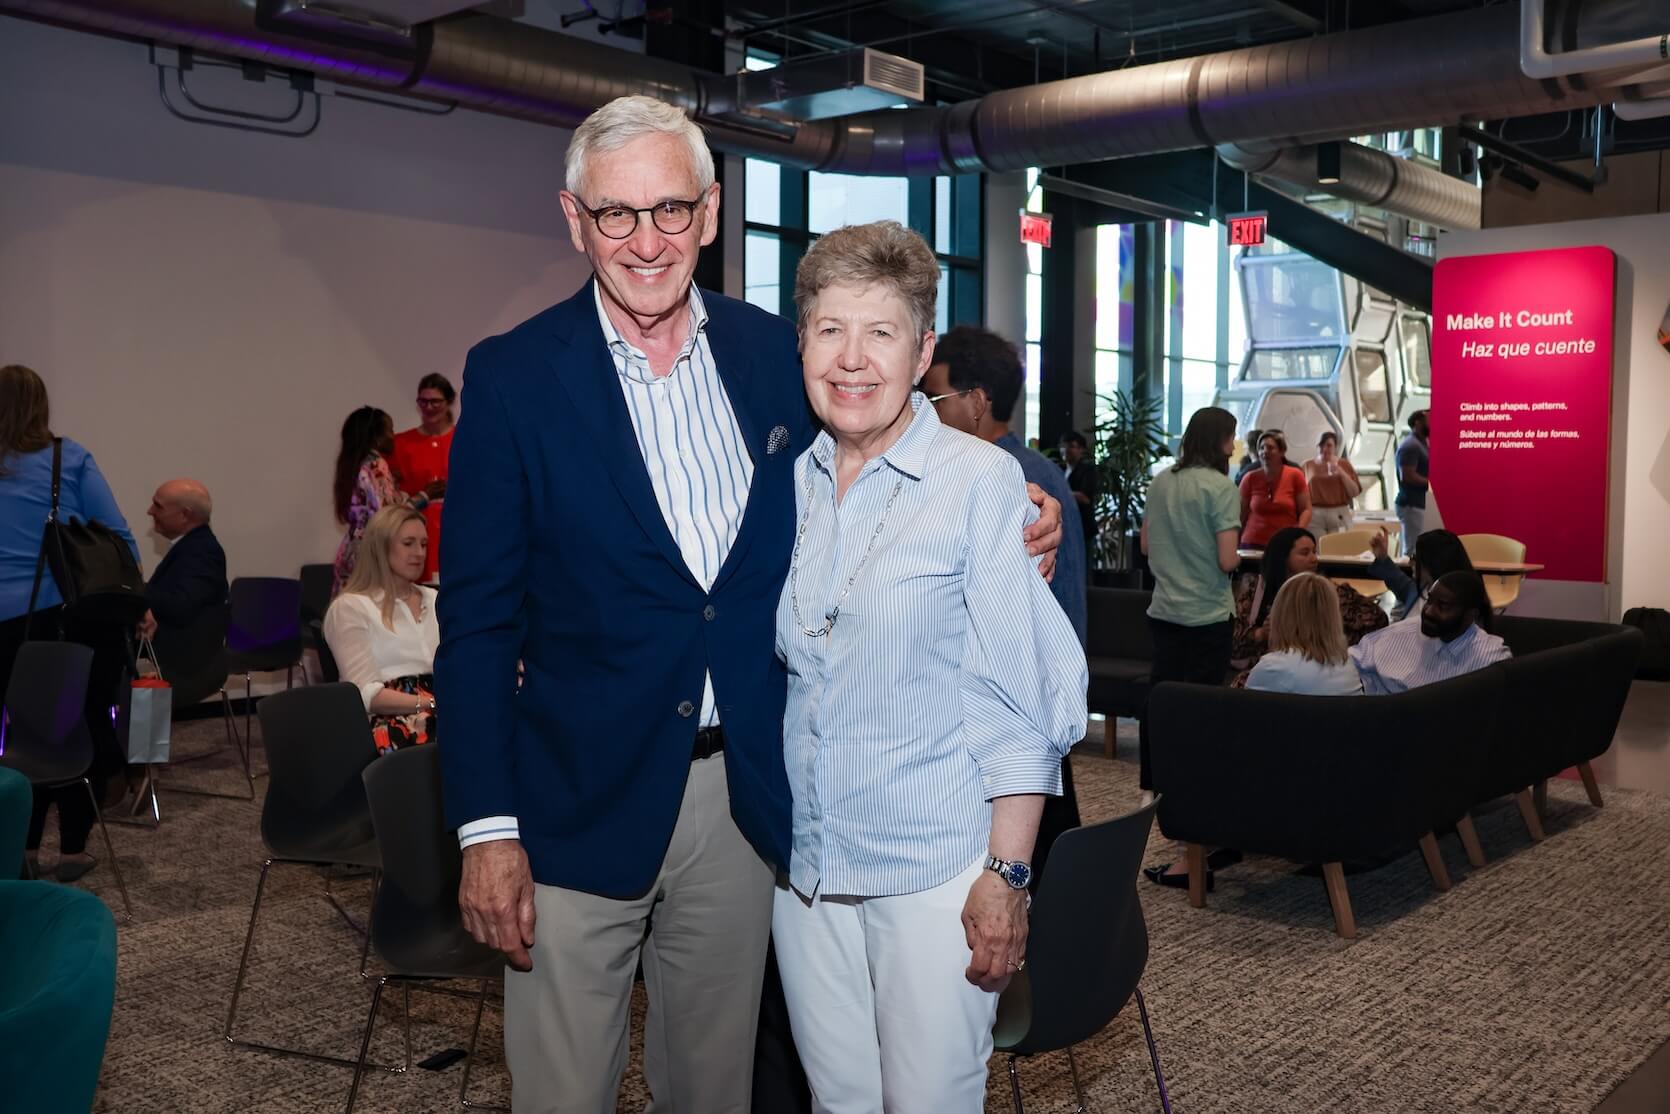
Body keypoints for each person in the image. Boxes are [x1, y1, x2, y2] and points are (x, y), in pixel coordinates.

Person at [433, 95, 1062, 1114]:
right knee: (559, 1094)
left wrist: (1008, 496)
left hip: (743, 809)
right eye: (616, 214)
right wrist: (485, 830)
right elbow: (475, 627)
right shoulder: (512, 377)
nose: (646, 241)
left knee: (715, 1089)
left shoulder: (777, 355)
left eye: (670, 209)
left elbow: (879, 424)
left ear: (713, 212)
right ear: (572, 217)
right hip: (572, 803)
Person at [773, 220, 1086, 1111]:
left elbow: (1018, 701)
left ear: (923, 353)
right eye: (831, 329)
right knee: (839, 1104)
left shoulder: (980, 482)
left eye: (883, 332)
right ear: (803, 342)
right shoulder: (788, 483)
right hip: (807, 873)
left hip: (933, 872)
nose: (853, 358)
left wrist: (1009, 875)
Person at [0, 364, 139, 882]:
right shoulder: (68, 458)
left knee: (17, 737)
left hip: (3, 629)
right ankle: (73, 849)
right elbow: (118, 535)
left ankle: (22, 847)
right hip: (60, 622)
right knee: (68, 727)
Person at [927, 325, 1085, 644]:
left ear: (975, 403)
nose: (925, 412)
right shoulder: (1036, 468)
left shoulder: (1007, 480)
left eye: (934, 399)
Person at [1139, 406, 1242, 793]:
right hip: (1208, 613)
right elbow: (1226, 558)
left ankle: (1155, 782)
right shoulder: (1221, 488)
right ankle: (1199, 787)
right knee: (1203, 709)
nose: (1233, 446)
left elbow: (1147, 545)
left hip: (1165, 609)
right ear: (1218, 440)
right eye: (1230, 437)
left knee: (1161, 701)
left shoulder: (1162, 480)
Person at [323, 505, 437, 753]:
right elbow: (365, 693)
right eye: (408, 543)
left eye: (424, 544)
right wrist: (432, 703)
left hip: (446, 706)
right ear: (380, 547)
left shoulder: (437, 600)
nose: (419, 553)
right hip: (389, 719)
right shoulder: (351, 608)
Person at [1231, 527, 1386, 675]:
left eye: (1314, 552)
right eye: (1305, 553)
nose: (1313, 559)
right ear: (1282, 558)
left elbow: (1378, 620)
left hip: (1322, 669)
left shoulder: (1330, 592)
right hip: (1269, 669)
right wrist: (1260, 634)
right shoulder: (1257, 590)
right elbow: (1233, 642)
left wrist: (1334, 640)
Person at [1350, 570, 1509, 695]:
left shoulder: (1490, 658)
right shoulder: (1409, 629)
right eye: (1429, 600)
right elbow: (1352, 658)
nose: (1428, 611)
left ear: (1470, 615)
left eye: (1443, 606)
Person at [332, 405, 428, 596]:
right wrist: (425, 496)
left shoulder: (355, 465)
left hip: (351, 551)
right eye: (390, 430)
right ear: (376, 436)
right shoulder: (377, 465)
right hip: (371, 554)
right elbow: (389, 518)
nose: (393, 435)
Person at [137, 479, 227, 654]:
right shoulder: (193, 546)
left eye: (158, 506)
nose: (150, 511)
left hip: (184, 664)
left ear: (185, 515)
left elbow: (179, 605)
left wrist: (135, 590)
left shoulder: (203, 552)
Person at [1244, 572, 1364, 695]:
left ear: (1280, 615)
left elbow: (1245, 712)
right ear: (1333, 617)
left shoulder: (1272, 667)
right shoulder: (1348, 667)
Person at [390, 373, 455, 583]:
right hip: (416, 527)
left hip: (455, 525)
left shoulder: (462, 439)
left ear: (449, 402)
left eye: (435, 401)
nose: (429, 407)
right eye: (423, 401)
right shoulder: (401, 443)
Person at [1368, 527, 1475, 620]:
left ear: (1433, 563)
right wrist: (1383, 557)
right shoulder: (1424, 586)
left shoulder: (1458, 607)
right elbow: (1402, 584)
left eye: (1415, 558)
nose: (1410, 562)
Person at [1239, 430, 1311, 547]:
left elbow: (1306, 510)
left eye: (1270, 448)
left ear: (1281, 452)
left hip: (1285, 542)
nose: (1265, 451)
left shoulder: (1295, 475)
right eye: (1262, 448)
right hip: (1252, 542)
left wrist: (1297, 532)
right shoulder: (1249, 478)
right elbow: (1241, 515)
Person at [1303, 431, 1361, 535]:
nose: (1324, 449)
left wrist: (1341, 472)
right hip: (1316, 514)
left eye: (1329, 445)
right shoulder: (1308, 465)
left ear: (1335, 447)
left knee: (1340, 548)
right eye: (1321, 445)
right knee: (1318, 547)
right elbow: (1302, 492)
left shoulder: (1344, 464)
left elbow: (1354, 492)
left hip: (1339, 513)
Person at [1059, 430, 1097, 563]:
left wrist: (1061, 493)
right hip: (1065, 528)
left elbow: (1085, 497)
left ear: (1081, 449)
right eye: (1064, 446)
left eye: (1071, 446)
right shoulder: (1060, 469)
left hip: (1083, 528)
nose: (1066, 450)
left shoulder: (1088, 470)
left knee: (1082, 566)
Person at [1395, 410, 1431, 545]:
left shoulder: (1422, 444)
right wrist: (1432, 484)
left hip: (1419, 504)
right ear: (1418, 423)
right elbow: (1408, 475)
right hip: (1412, 505)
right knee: (1413, 548)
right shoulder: (1411, 446)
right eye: (1430, 419)